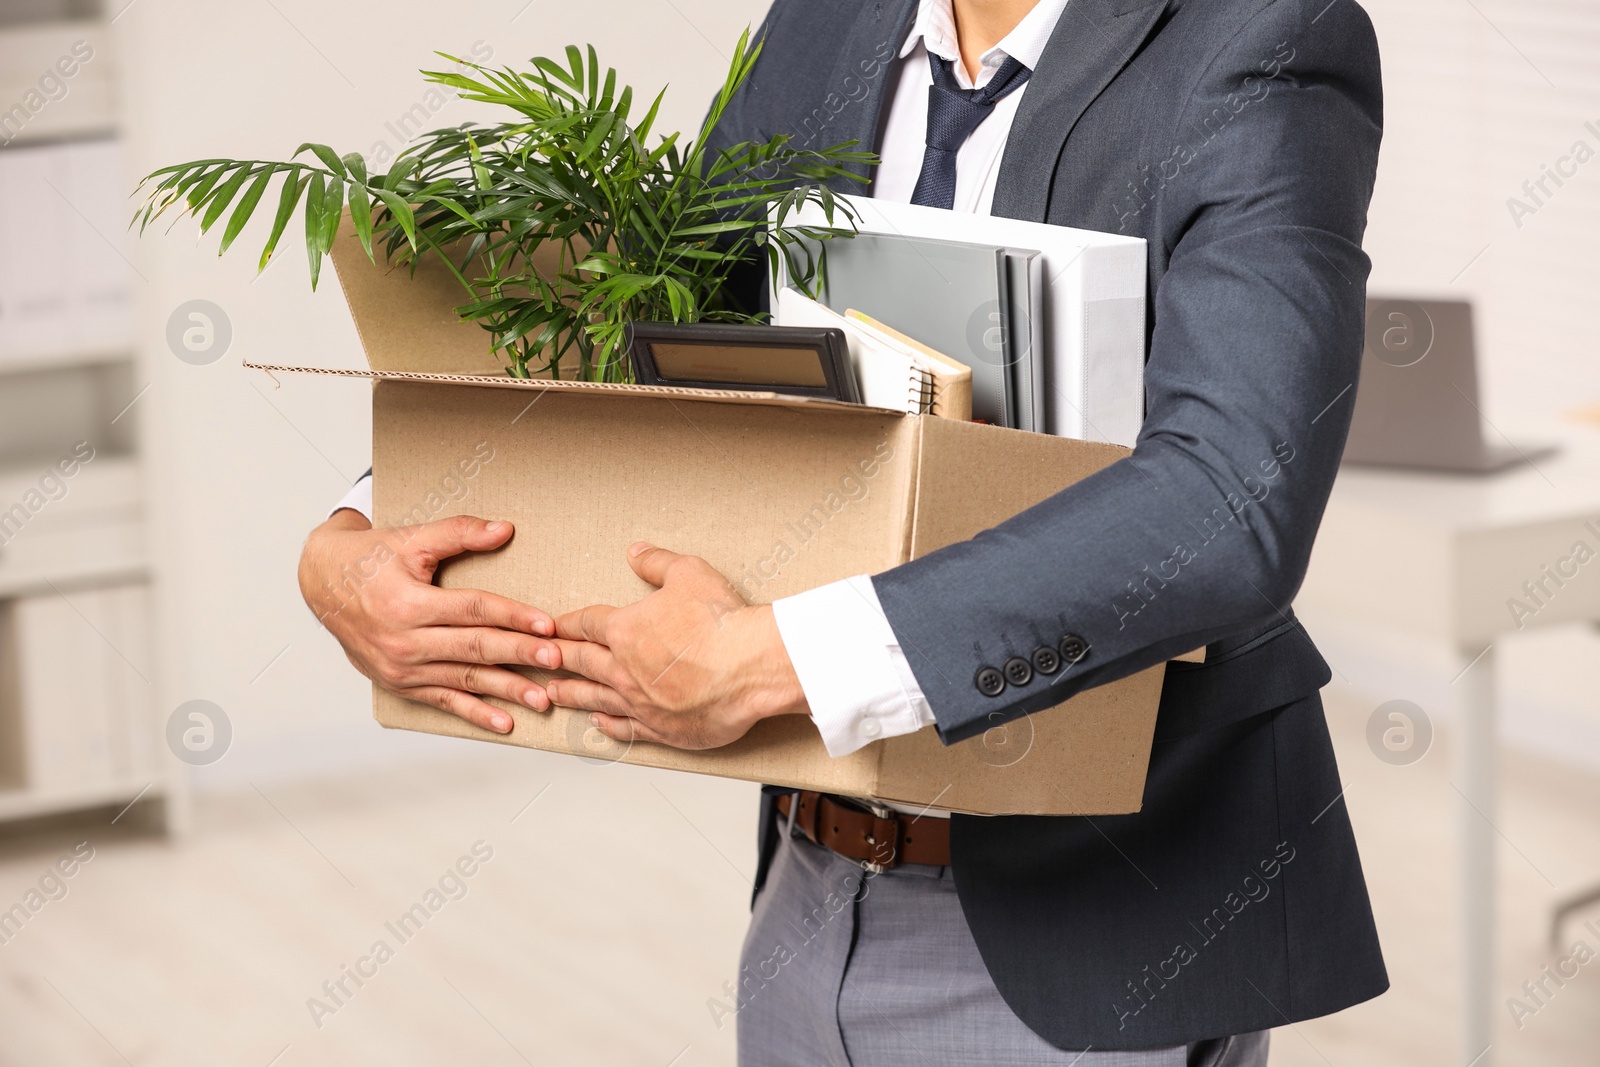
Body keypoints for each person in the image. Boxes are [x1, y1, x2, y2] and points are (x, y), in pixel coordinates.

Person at [300, 0, 1388, 1062]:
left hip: (1099, 921)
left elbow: (1231, 497)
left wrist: (774, 660)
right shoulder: (824, 22)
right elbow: (665, 328)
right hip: (810, 882)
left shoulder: (1259, 36)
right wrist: (364, 524)